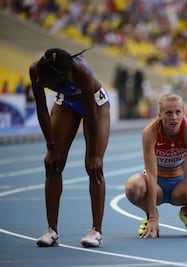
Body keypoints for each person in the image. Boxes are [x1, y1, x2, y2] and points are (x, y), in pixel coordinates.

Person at [29, 48, 110, 248]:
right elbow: (41, 109)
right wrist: (50, 146)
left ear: (61, 77)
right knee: (54, 163)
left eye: (47, 83)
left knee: (94, 167)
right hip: (66, 104)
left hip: (95, 105)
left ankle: (96, 232)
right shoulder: (35, 70)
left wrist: (93, 155)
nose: (43, 84)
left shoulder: (81, 71)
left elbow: (90, 114)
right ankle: (52, 230)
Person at [125, 94, 187, 238]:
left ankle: (185, 213)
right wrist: (152, 218)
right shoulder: (150, 132)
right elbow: (150, 174)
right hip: (156, 186)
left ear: (183, 113)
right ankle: (151, 212)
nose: (174, 117)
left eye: (178, 112)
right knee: (132, 187)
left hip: (179, 186)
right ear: (159, 115)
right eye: (168, 113)